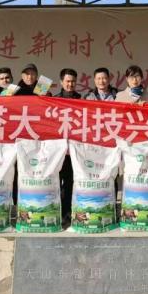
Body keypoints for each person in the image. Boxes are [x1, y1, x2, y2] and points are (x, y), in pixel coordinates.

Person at [54, 68, 82, 225]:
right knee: (56, 182)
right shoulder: (54, 100)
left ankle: (68, 212)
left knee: (71, 182)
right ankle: (57, 212)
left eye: (73, 81)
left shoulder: (81, 100)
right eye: (67, 81)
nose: (70, 84)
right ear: (61, 82)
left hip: (74, 149)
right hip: (57, 150)